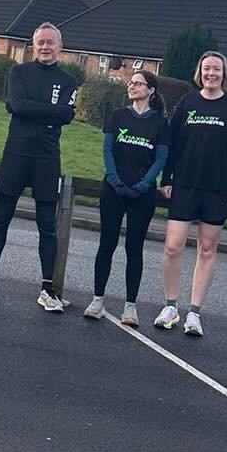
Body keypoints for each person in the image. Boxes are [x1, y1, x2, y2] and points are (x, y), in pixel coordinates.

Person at [0, 24, 77, 312]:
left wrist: (33, 109)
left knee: (47, 224)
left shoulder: (67, 80)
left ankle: (47, 288)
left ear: (59, 47)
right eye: (40, 42)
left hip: (47, 158)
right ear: (33, 45)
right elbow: (17, 104)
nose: (44, 47)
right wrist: (48, 113)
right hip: (16, 153)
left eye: (50, 43)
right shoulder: (18, 72)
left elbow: (67, 115)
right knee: (1, 217)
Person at [155, 50, 227, 336]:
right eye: (207, 69)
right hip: (185, 183)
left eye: (217, 70)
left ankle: (194, 313)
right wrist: (167, 178)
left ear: (225, 74)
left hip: (218, 188)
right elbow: (172, 143)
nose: (211, 74)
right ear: (200, 72)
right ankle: (170, 306)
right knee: (173, 246)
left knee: (207, 249)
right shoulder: (187, 102)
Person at [83, 69, 169, 328]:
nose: (132, 87)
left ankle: (130, 306)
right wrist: (115, 179)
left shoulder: (160, 123)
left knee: (134, 248)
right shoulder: (119, 116)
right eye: (130, 83)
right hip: (114, 189)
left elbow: (161, 159)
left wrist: (144, 185)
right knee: (106, 244)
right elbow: (107, 149)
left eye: (138, 83)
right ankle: (97, 299)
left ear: (151, 90)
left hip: (142, 195)